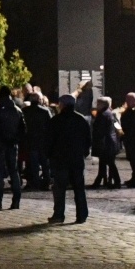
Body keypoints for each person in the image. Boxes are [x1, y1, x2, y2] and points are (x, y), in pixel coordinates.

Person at [47, 94, 91, 224]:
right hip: (76, 159)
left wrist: (50, 155)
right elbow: (88, 139)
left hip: (60, 159)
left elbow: (49, 140)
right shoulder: (81, 120)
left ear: (62, 105)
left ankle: (59, 215)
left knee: (60, 189)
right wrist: (83, 153)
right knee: (79, 188)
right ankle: (82, 215)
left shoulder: (56, 120)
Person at [0, 85, 24, 210]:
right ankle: (16, 201)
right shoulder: (17, 110)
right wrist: (15, 139)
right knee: (14, 171)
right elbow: (23, 129)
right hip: (13, 144)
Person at [22, 87, 52, 191]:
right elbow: (50, 125)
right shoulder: (45, 111)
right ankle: (46, 182)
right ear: (39, 100)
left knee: (33, 164)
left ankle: (35, 183)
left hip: (30, 141)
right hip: (43, 140)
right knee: (45, 164)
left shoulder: (25, 111)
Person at [90, 97, 123, 189]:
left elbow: (99, 130)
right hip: (110, 142)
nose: (97, 105)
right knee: (104, 163)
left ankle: (116, 181)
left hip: (106, 143)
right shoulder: (109, 113)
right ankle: (101, 180)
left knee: (109, 163)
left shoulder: (103, 115)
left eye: (98, 103)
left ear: (103, 104)